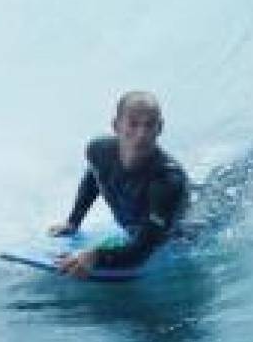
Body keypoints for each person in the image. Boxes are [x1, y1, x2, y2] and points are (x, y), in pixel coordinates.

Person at [50, 91, 190, 278]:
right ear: (116, 126)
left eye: (150, 125)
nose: (141, 134)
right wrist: (73, 221)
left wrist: (97, 257)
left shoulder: (168, 181)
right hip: (136, 228)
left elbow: (143, 250)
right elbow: (94, 176)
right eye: (133, 124)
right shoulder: (98, 151)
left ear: (160, 128)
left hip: (181, 232)